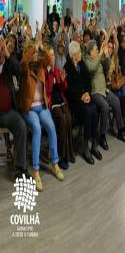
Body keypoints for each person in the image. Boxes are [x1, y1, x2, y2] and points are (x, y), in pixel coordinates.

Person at [19, 40, 64, 192]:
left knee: (51, 127)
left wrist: (41, 48)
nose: (35, 55)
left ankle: (55, 163)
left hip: (42, 106)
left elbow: (48, 59)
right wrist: (32, 49)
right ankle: (36, 170)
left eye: (35, 52)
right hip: (29, 109)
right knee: (37, 129)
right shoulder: (25, 68)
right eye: (32, 52)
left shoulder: (41, 66)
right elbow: (24, 60)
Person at [85, 40, 125, 146]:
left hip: (104, 90)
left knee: (116, 101)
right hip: (95, 92)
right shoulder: (87, 61)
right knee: (104, 106)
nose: (97, 51)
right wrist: (100, 55)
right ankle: (102, 136)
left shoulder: (99, 60)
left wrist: (107, 55)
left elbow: (107, 65)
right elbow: (92, 68)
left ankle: (121, 129)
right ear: (91, 51)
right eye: (96, 49)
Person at [65, 41, 100, 165]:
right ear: (74, 54)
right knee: (87, 110)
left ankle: (94, 144)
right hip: (75, 101)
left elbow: (88, 82)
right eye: (79, 52)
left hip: (85, 97)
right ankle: (86, 148)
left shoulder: (82, 64)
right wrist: (81, 96)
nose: (81, 54)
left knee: (94, 108)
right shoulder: (67, 67)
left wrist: (87, 94)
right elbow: (69, 89)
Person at [0, 36, 28, 180]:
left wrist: (7, 54)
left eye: (2, 49)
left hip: (7, 113)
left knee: (21, 126)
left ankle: (20, 168)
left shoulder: (9, 65)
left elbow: (20, 70)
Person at [45, 46, 75, 170]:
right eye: (50, 55)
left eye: (53, 55)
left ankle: (69, 153)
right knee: (63, 120)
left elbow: (64, 88)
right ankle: (62, 157)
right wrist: (52, 73)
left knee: (68, 118)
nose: (52, 58)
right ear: (46, 58)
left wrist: (62, 81)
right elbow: (48, 90)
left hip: (62, 101)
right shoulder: (45, 72)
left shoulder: (57, 70)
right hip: (52, 104)